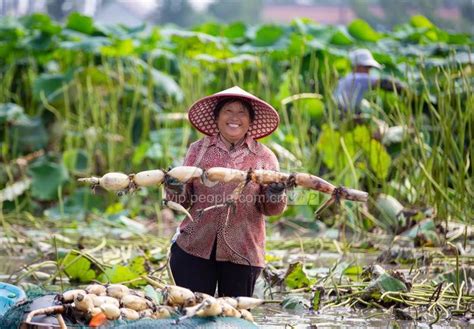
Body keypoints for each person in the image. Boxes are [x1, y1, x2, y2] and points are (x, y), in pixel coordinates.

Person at [164, 86, 287, 297]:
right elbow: (183, 201)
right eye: (228, 111)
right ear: (217, 117)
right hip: (194, 247)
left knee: (234, 315)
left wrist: (275, 192)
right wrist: (175, 186)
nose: (234, 118)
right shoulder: (198, 150)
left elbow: (271, 210)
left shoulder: (264, 157)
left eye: (241, 113)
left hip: (243, 252)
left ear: (250, 121)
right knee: (189, 313)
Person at [334, 48, 405, 114]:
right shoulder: (358, 78)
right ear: (358, 66)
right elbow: (385, 82)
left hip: (338, 112)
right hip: (344, 114)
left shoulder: (346, 78)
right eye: (367, 68)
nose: (369, 71)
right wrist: (406, 91)